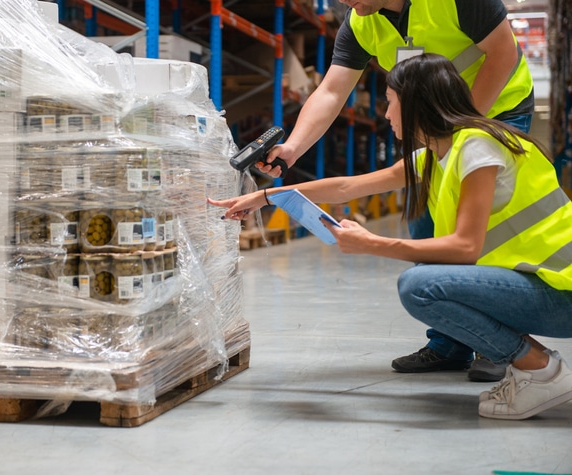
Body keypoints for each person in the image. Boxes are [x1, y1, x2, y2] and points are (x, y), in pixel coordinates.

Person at [210, 53, 572, 420]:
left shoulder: (477, 146)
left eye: (391, 102)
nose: (386, 114)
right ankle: (532, 368)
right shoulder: (438, 154)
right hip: (540, 285)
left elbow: (465, 247)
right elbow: (348, 187)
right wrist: (265, 196)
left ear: (416, 102)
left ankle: (544, 372)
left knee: (420, 286)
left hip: (562, 294)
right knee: (424, 282)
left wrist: (372, 244)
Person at [257, 0, 536, 382]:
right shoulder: (361, 22)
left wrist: (457, 132)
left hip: (495, 108)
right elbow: (331, 92)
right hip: (435, 126)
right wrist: (291, 149)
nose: (341, 1)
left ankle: (499, 343)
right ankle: (450, 342)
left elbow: (503, 54)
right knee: (426, 222)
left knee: (485, 227)